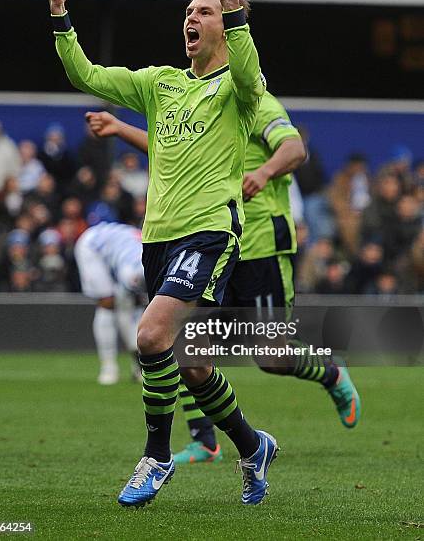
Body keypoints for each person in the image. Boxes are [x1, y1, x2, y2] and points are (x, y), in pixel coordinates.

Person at [46, 0, 275, 507]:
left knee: (150, 337)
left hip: (210, 232)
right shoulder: (159, 83)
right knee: (193, 363)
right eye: (190, 13)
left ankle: (157, 455)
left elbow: (247, 67)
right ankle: (251, 444)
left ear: (227, 26)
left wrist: (236, 6)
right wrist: (60, 14)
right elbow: (87, 75)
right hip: (158, 240)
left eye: (204, 12)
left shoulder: (240, 90)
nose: (191, 19)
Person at [86, 91, 362, 468]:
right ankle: (204, 440)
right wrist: (120, 127)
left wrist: (263, 172)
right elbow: (170, 150)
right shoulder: (200, 103)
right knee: (183, 343)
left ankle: (330, 372)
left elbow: (295, 149)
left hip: (259, 244)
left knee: (269, 354)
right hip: (211, 241)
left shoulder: (257, 103)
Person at [74, 214, 145, 384]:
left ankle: (139, 367)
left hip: (115, 247)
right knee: (108, 303)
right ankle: (109, 368)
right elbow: (125, 312)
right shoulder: (133, 271)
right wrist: (137, 350)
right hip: (92, 246)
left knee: (140, 311)